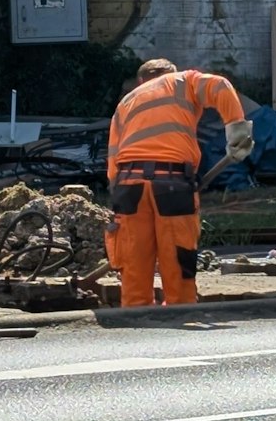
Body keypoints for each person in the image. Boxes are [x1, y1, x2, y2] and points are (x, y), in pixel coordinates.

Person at [104, 58, 253, 307]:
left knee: (133, 260)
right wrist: (237, 129)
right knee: (178, 257)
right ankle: (180, 312)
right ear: (171, 73)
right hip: (171, 183)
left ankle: (134, 316)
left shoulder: (125, 103)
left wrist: (118, 199)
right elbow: (220, 86)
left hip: (128, 186)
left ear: (141, 80)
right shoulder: (183, 81)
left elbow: (112, 159)